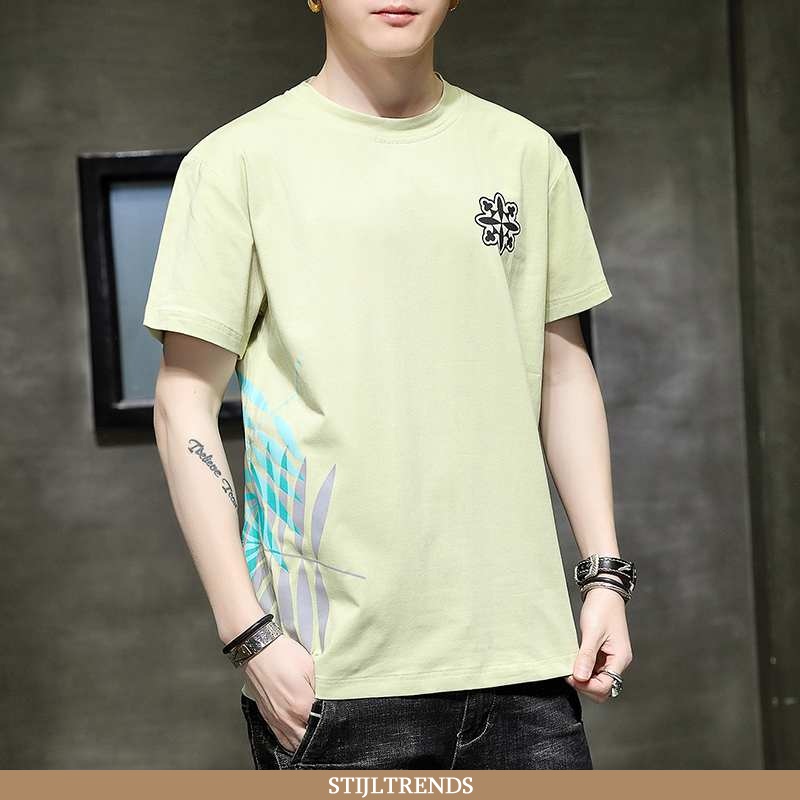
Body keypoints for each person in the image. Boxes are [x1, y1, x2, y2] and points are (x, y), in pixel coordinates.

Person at [142, 0, 634, 770]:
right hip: (333, 680)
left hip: (528, 668)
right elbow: (183, 405)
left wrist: (604, 576)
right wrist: (249, 635)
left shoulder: (524, 155)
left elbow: (564, 373)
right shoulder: (237, 162)